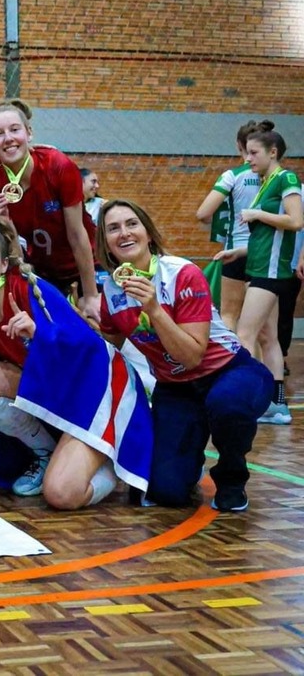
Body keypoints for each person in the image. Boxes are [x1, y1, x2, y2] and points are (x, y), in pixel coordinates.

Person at [0, 218, 151, 506]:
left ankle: (114, 463)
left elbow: (87, 348)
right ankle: (45, 453)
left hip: (98, 391)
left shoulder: (30, 289)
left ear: (3, 264)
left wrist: (39, 334)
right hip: (56, 392)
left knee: (61, 494)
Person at [97, 199, 272, 511]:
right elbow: (107, 345)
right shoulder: (111, 291)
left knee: (227, 404)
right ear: (106, 243)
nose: (124, 233)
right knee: (166, 491)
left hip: (230, 371)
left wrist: (154, 310)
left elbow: (192, 356)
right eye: (113, 228)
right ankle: (188, 460)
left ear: (148, 234)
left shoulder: (182, 273)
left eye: (131, 224)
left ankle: (232, 477)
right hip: (176, 388)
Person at [0, 100, 101, 322]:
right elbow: (15, 253)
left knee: (96, 318)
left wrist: (92, 294)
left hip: (87, 266)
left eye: (15, 130)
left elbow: (77, 234)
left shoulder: (58, 166)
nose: (8, 138)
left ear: (29, 133)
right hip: (43, 273)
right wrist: (4, 226)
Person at [228, 130, 303, 425]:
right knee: (267, 337)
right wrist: (239, 252)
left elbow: (296, 221)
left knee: (244, 336)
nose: (248, 159)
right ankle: (278, 405)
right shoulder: (266, 183)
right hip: (258, 268)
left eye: (254, 153)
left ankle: (241, 399)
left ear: (273, 152)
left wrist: (258, 214)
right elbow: (269, 238)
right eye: (246, 153)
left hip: (270, 274)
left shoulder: (286, 179)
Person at [196, 120, 273, 332]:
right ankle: (261, 365)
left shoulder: (233, 175)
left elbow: (203, 213)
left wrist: (225, 219)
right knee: (261, 329)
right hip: (267, 252)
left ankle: (234, 364)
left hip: (236, 251)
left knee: (229, 314)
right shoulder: (277, 177)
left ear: (239, 145)